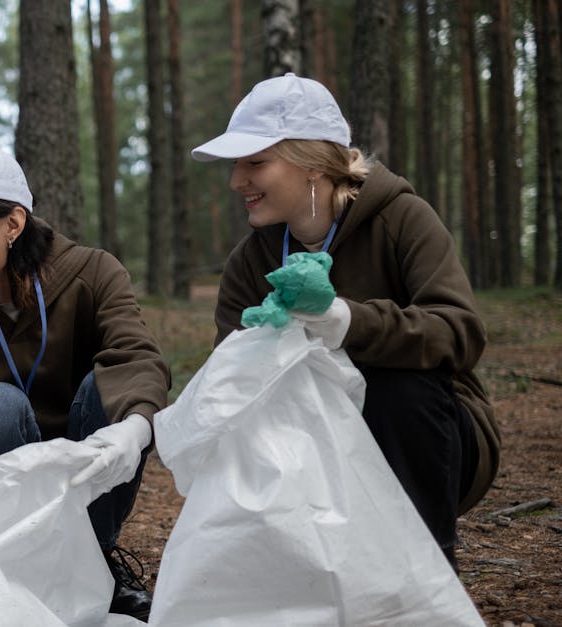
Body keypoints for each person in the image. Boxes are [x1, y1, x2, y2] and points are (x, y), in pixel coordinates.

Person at [191, 73, 500, 569]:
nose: (236, 181)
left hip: (428, 440)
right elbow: (231, 389)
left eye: (255, 162)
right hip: (308, 444)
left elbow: (460, 331)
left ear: (312, 163)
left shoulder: (402, 218)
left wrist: (344, 321)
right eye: (235, 165)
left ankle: (427, 574)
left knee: (401, 387)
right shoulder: (249, 263)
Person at [0, 143, 171, 620]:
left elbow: (134, 353)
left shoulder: (94, 273)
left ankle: (96, 561)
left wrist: (136, 426)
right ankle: (10, 564)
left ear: (12, 224)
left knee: (111, 391)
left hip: (88, 466)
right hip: (0, 484)